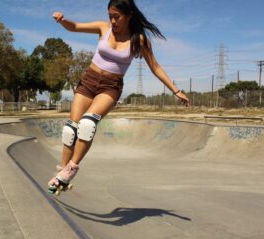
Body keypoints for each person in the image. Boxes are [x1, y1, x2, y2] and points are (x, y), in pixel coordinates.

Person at [48, 0, 190, 190]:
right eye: (110, 16)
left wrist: (176, 90)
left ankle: (71, 169)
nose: (112, 21)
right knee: (70, 129)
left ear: (129, 14)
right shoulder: (103, 27)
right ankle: (60, 171)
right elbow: (74, 27)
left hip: (111, 86)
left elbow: (155, 67)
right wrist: (62, 20)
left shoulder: (138, 39)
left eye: (117, 17)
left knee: (87, 125)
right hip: (89, 80)